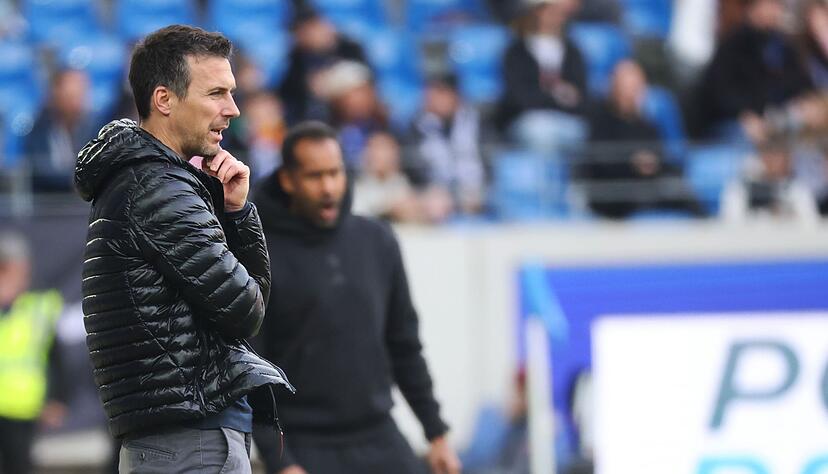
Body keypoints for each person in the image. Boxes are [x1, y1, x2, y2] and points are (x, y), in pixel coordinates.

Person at [73, 25, 293, 473]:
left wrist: (233, 211)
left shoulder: (141, 180)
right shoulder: (158, 188)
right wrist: (240, 218)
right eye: (216, 93)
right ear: (164, 100)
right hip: (191, 441)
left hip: (178, 439)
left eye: (232, 93)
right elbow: (247, 311)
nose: (232, 109)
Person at [251, 121, 461, 474]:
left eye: (335, 173)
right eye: (315, 176)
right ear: (288, 180)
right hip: (305, 446)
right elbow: (254, 373)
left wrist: (436, 432)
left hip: (379, 435)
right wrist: (280, 459)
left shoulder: (377, 240)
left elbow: (404, 345)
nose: (328, 187)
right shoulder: (260, 255)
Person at [584, 60, 703, 218]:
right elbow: (598, 161)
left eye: (636, 87)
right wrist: (632, 163)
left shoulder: (647, 126)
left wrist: (653, 165)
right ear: (614, 87)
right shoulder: (600, 121)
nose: (632, 92)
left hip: (646, 188)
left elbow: (664, 160)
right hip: (614, 194)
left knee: (681, 192)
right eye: (627, 86)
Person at [696, 0, 814, 139]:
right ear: (754, 6)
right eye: (772, 4)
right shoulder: (733, 45)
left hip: (779, 119)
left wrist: (803, 102)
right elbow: (721, 95)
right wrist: (744, 114)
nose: (777, 10)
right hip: (732, 126)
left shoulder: (783, 45)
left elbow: (799, 83)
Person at [0, 232, 66, 474]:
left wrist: (56, 399)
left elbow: (56, 358)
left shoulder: (36, 308)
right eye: (19, 271)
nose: (24, 279)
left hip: (21, 408)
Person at [496, 0, 588, 153]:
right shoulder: (516, 51)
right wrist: (557, 97)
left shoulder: (573, 51)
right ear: (537, 11)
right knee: (541, 131)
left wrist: (547, 96)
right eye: (549, 9)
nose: (556, 15)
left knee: (581, 132)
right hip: (526, 120)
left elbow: (581, 96)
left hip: (567, 119)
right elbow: (518, 97)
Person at [409, 73, 486, 216]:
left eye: (442, 93)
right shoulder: (417, 126)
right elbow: (414, 167)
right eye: (433, 93)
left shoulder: (476, 121)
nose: (436, 99)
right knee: (434, 203)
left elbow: (488, 159)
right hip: (436, 190)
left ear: (455, 95)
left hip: (474, 187)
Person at [277, 6, 368, 124]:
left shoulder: (350, 48)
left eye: (312, 28)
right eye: (302, 31)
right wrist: (308, 86)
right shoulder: (295, 61)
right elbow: (290, 97)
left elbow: (367, 78)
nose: (310, 35)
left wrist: (333, 80)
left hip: (348, 111)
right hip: (318, 117)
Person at [25, 68, 98, 192]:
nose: (76, 102)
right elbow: (40, 169)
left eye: (79, 94)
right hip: (51, 202)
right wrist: (75, 181)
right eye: (70, 95)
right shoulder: (39, 129)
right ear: (55, 93)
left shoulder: (94, 127)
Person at [721, 135, 820, 224]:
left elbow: (810, 222)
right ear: (762, 158)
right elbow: (731, 222)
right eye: (770, 156)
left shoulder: (798, 188)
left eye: (779, 157)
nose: (775, 163)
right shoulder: (740, 188)